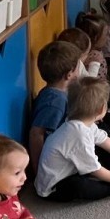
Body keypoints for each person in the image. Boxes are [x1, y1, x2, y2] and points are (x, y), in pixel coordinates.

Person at [35, 77, 110, 201]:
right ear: (101, 109)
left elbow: (109, 143)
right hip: (54, 186)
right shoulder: (78, 134)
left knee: (102, 146)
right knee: (81, 187)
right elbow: (94, 169)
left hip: (71, 168)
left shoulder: (84, 124)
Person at [26, 40, 80, 175]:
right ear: (69, 74)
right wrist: (38, 169)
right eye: (78, 68)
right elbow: (36, 134)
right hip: (57, 159)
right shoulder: (55, 102)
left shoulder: (58, 93)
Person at [76, 10, 110, 118]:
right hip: (97, 93)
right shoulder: (93, 56)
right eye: (105, 35)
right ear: (95, 38)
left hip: (103, 84)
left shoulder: (95, 51)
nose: (107, 38)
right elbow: (92, 81)